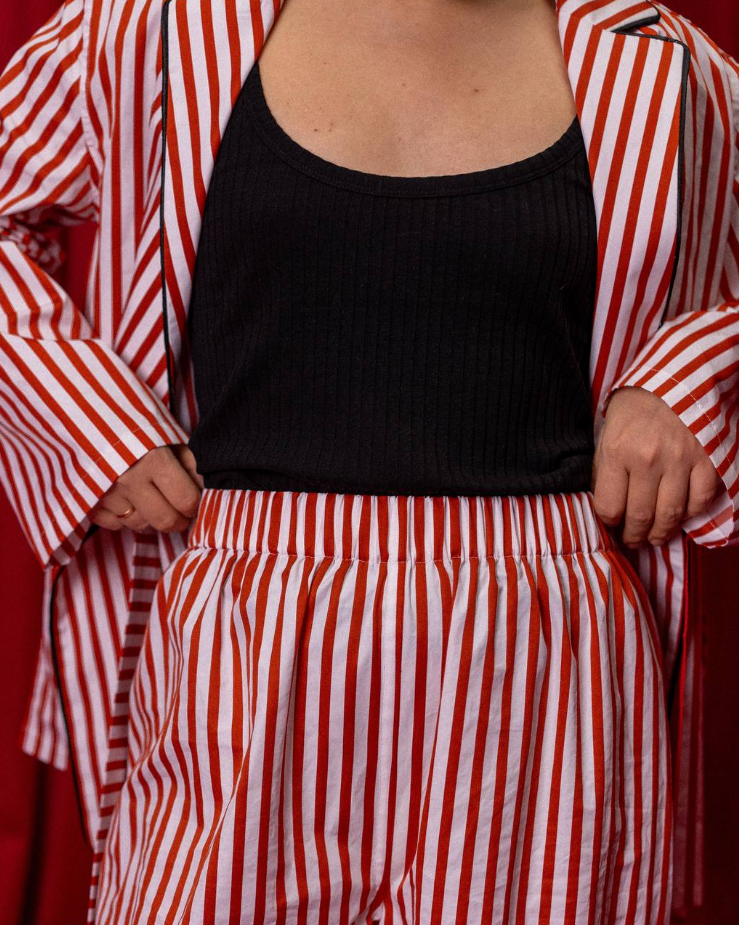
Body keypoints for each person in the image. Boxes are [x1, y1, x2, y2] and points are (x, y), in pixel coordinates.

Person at [1, 0, 738, 922]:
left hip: (548, 650)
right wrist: (87, 417)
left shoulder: (667, 67)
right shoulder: (151, 29)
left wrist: (693, 372)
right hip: (243, 637)